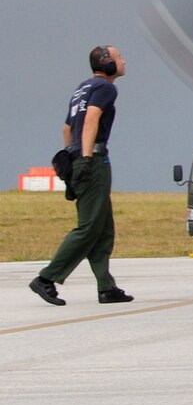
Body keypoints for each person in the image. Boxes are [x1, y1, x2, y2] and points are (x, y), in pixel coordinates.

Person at [29, 46, 134, 306]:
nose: (124, 61)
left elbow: (68, 128)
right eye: (119, 57)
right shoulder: (106, 88)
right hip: (93, 159)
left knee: (103, 227)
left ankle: (106, 288)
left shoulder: (82, 89)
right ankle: (46, 278)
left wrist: (73, 157)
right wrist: (86, 159)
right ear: (107, 63)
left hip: (79, 157)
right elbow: (91, 121)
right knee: (89, 227)